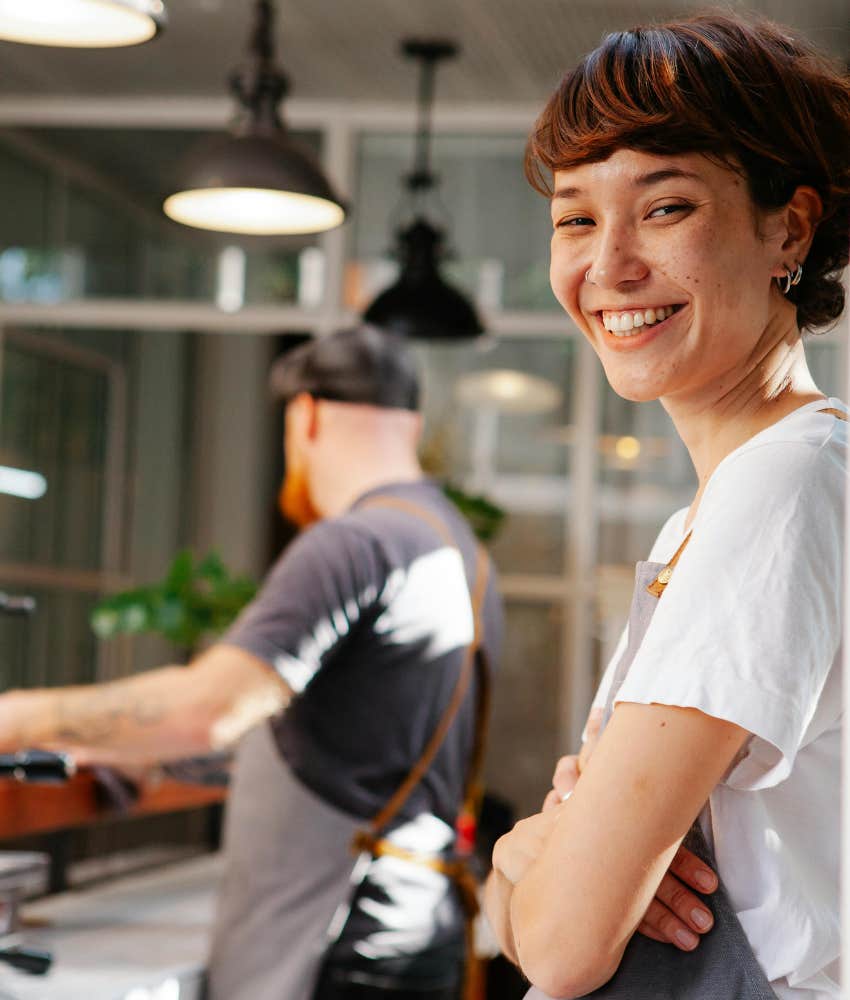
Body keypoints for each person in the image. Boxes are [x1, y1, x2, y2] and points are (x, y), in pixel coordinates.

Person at [484, 11, 850, 1000]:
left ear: (790, 226)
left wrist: (521, 870)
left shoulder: (786, 482)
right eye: (574, 217)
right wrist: (535, 862)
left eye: (664, 207)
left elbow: (560, 946)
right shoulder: (707, 512)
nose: (607, 267)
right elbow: (558, 901)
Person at [0, 325, 503, 1000]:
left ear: (306, 417)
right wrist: (134, 752)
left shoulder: (356, 541)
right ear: (410, 423)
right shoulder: (456, 548)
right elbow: (353, 744)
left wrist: (19, 715)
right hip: (414, 930)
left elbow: (208, 711)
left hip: (339, 948)